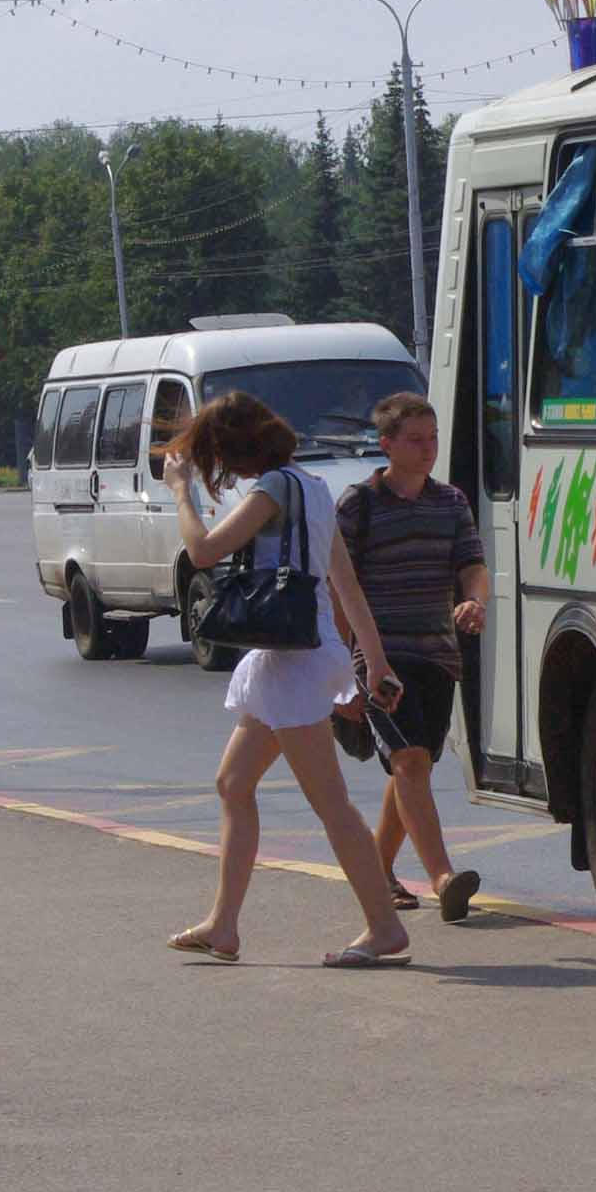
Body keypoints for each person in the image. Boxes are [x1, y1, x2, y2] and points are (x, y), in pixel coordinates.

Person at [159, 391, 412, 968]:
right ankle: (223, 925)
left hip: (293, 661)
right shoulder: (315, 489)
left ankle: (384, 927)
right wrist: (373, 663)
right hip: (293, 655)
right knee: (233, 784)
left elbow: (202, 552)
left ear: (240, 452)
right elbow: (345, 585)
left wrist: (180, 491)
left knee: (332, 805)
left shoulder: (273, 489)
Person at [333, 392, 489, 923]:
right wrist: (343, 671)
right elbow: (338, 587)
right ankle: (443, 877)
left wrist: (475, 600)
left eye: (433, 438)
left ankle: (377, 870)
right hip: (380, 659)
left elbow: (472, 565)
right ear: (387, 445)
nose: (428, 450)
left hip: (437, 657)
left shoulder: (451, 503)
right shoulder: (360, 504)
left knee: (412, 766)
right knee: (410, 761)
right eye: (416, 441)